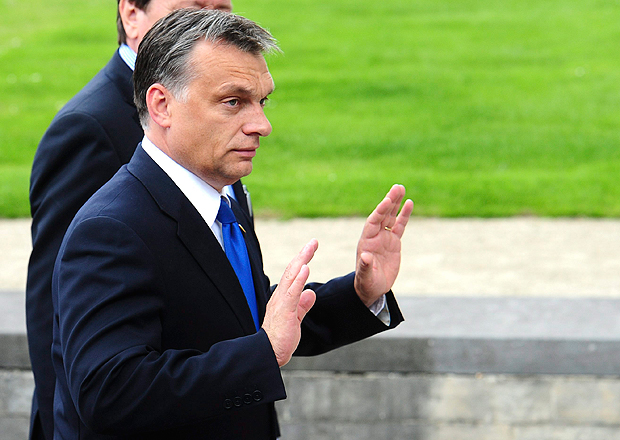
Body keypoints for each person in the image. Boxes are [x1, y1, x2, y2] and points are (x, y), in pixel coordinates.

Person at [51, 9, 414, 439]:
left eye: (262, 101)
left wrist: (361, 293)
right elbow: (110, 393)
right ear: (162, 105)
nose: (262, 125)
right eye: (233, 102)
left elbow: (246, 316)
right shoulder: (110, 230)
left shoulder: (223, 197)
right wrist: (263, 354)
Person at [26, 1, 241, 439]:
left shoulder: (218, 116)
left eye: (221, 8)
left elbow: (222, 292)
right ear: (131, 14)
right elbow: (57, 312)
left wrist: (357, 295)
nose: (210, 23)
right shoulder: (91, 128)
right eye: (191, 7)